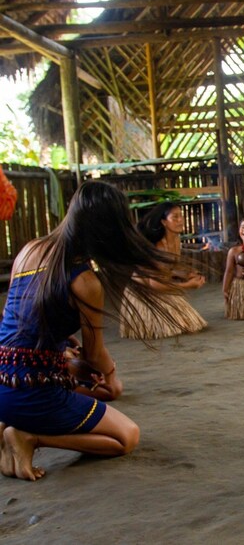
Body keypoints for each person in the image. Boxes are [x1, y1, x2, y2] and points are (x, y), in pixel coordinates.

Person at [0, 180, 184, 481]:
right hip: (33, 392)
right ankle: (29, 437)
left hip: (3, 380)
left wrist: (65, 347)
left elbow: (21, 318)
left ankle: (11, 421)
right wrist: (109, 372)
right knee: (126, 436)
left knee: (111, 391)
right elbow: (95, 354)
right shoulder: (85, 281)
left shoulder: (30, 250)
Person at [120, 202, 207, 339]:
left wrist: (187, 274)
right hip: (145, 292)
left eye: (181, 216)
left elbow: (171, 268)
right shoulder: (157, 248)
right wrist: (187, 285)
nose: (180, 221)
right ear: (164, 222)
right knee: (176, 328)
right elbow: (154, 284)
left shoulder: (176, 240)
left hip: (162, 286)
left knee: (188, 325)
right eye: (175, 217)